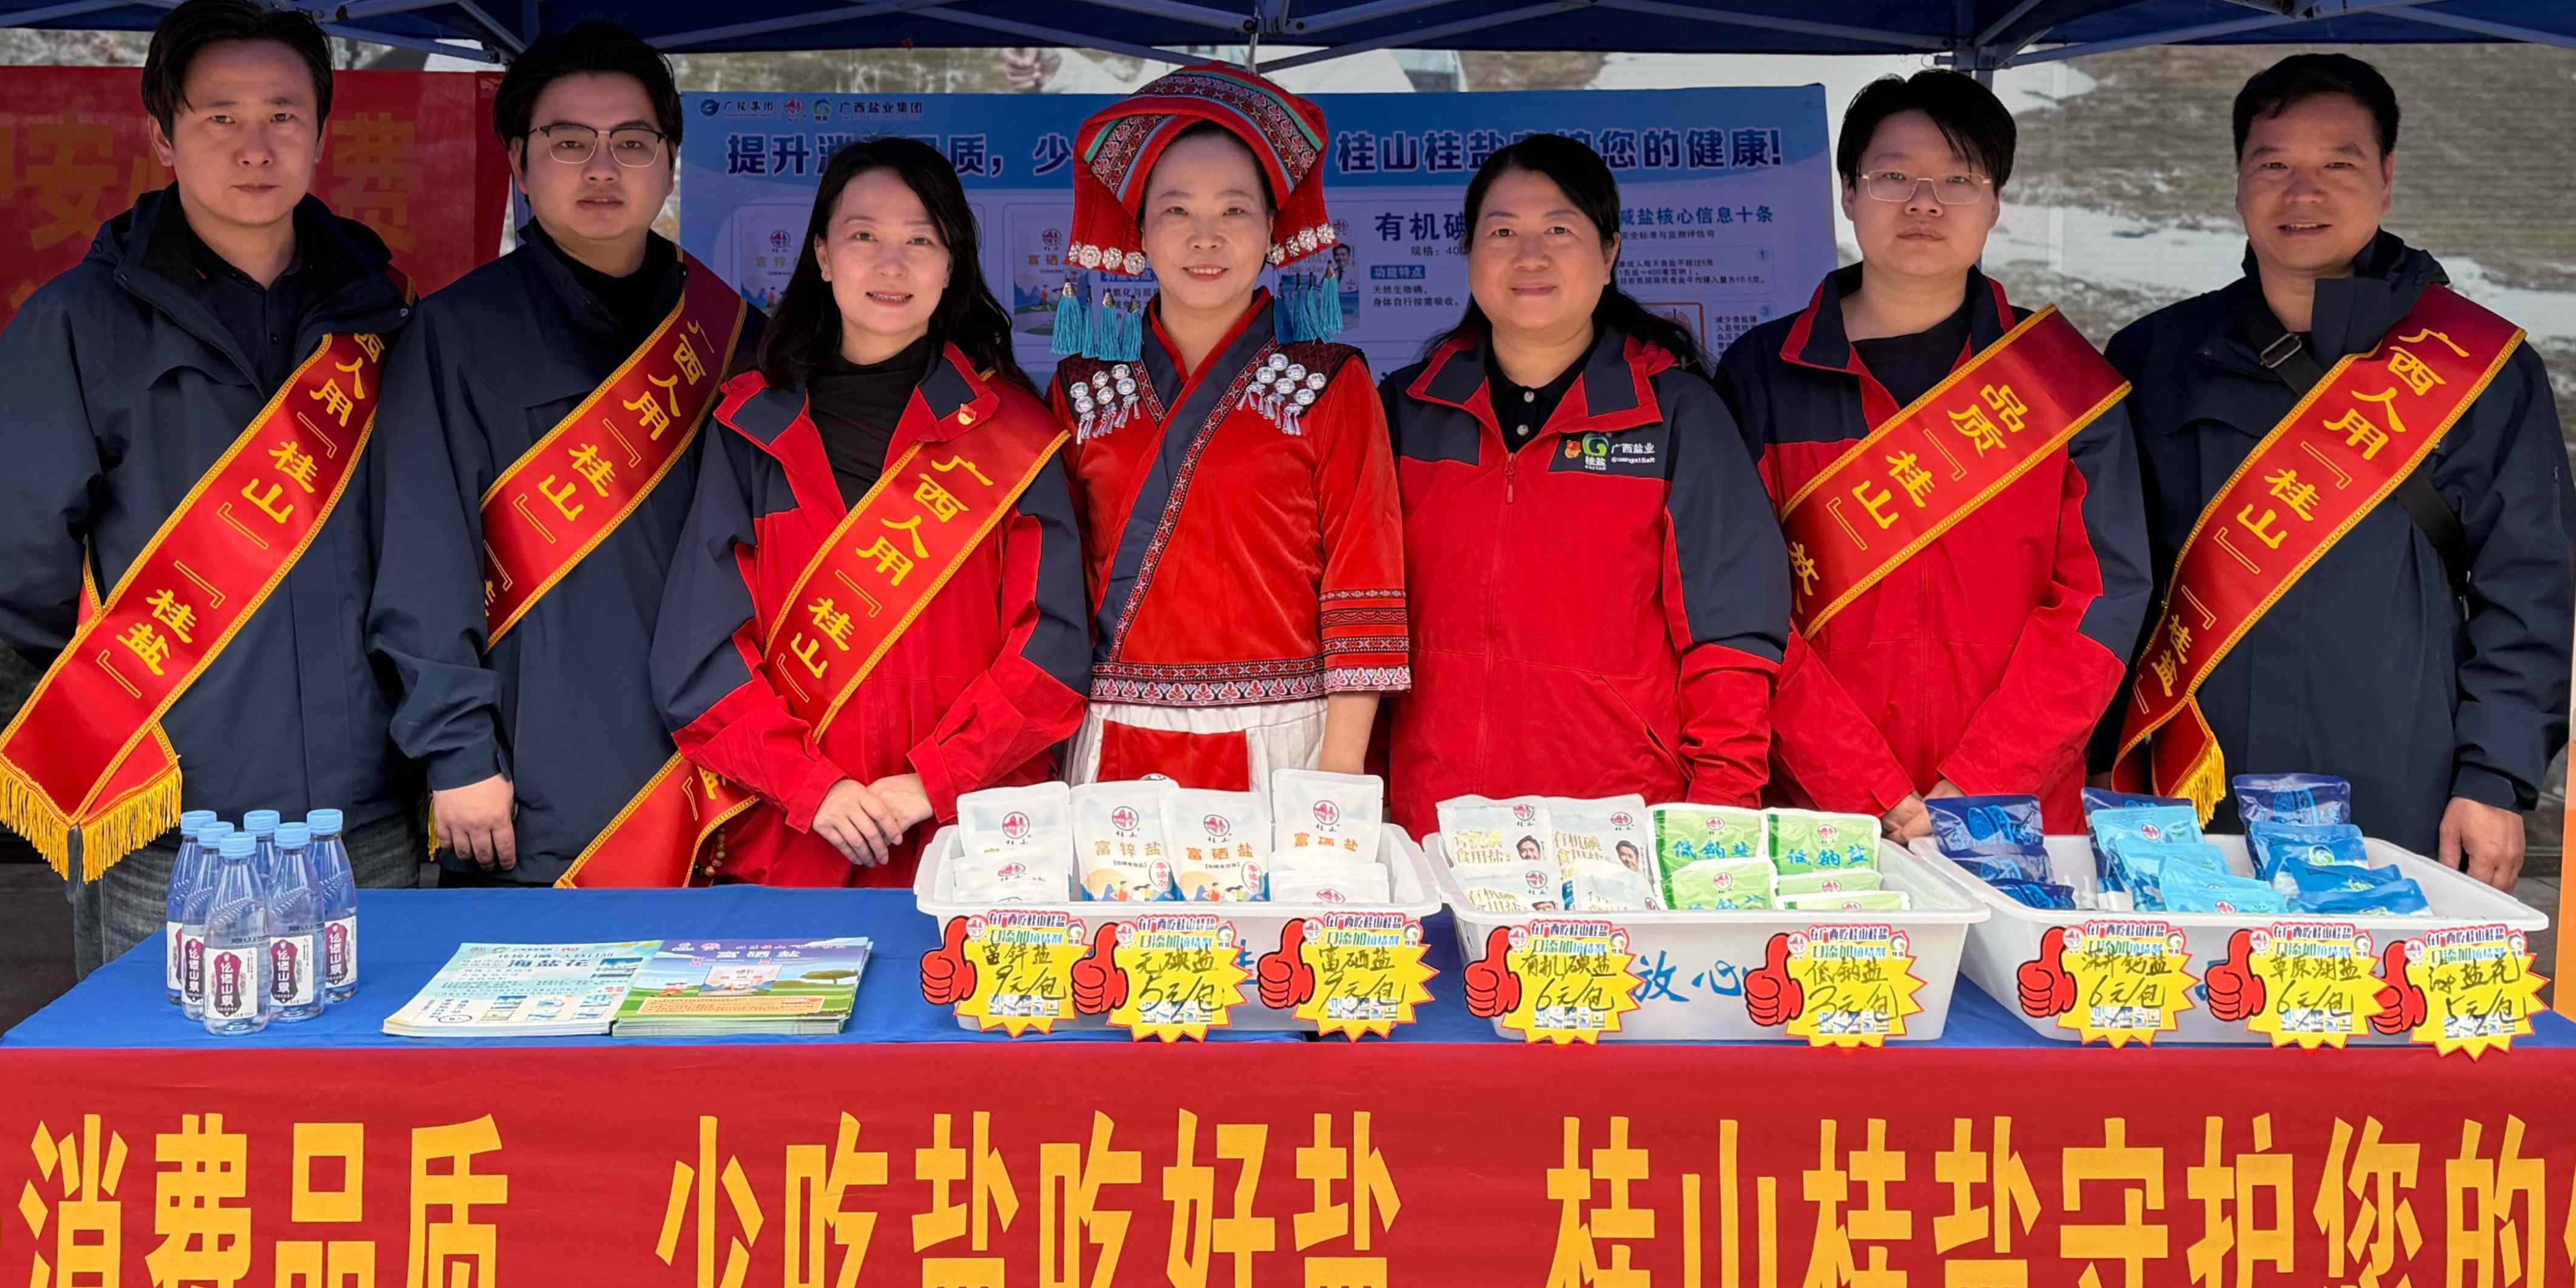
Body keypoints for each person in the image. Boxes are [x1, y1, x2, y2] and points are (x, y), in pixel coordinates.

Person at [0, 0, 420, 975]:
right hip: (173, 821)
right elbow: (23, 566)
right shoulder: (78, 322)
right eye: (220, 117)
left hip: (368, 808)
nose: (255, 147)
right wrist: (140, 693)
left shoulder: (383, 316)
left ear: (321, 133)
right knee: (165, 1068)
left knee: (368, 1070)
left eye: (283, 115)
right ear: (164, 136)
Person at [2103, 52, 2574, 886]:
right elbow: (2109, 581)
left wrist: (2493, 776)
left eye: (2337, 165)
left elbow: (2530, 587)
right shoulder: (2155, 357)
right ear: (2238, 180)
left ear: (2386, 178)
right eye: (2273, 165)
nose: (2302, 192)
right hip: (2189, 785)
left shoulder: (2479, 365)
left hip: (2401, 786)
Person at [368, 22, 760, 886]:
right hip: (535, 787)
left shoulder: (734, 333)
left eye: (632, 142)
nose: (602, 169)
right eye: (570, 142)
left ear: (670, 160)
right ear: (518, 161)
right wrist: (459, 754)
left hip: (730, 773)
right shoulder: (457, 334)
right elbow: (422, 560)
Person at [1717, 71, 2148, 839]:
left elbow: (2100, 602)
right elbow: (1740, 600)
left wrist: (1980, 781)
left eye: (1958, 179)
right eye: (1893, 176)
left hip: (2010, 819)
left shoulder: (2060, 378)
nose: (1925, 202)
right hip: (1823, 817)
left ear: (1995, 203)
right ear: (1849, 193)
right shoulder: (1763, 372)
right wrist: (1864, 783)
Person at [652, 138, 1088, 886]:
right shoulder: (751, 430)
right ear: (822, 256)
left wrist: (934, 779)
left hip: (976, 842)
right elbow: (700, 656)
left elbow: (1052, 650)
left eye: (921, 240)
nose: (892, 264)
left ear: (951, 265)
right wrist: (811, 787)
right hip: (794, 844)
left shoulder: (1016, 435)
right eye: (863, 236)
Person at [1382, 134, 1787, 835]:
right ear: (1469, 253)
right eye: (1502, 231)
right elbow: (1356, 622)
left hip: (1617, 829)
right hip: (1437, 823)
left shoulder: (1676, 414)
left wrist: (1719, 814)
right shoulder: (1404, 412)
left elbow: (1731, 635)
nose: (1529, 255)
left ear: (1609, 253)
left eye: (1559, 230)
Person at [1044, 63, 1405, 798]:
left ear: (1273, 227)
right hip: (1115, 739)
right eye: (1176, 210)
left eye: (1234, 210)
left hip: (1287, 746)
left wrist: (1338, 776)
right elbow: (1049, 592)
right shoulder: (1083, 390)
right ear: (1139, 229)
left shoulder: (1329, 381)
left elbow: (1364, 579)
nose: (1205, 237)